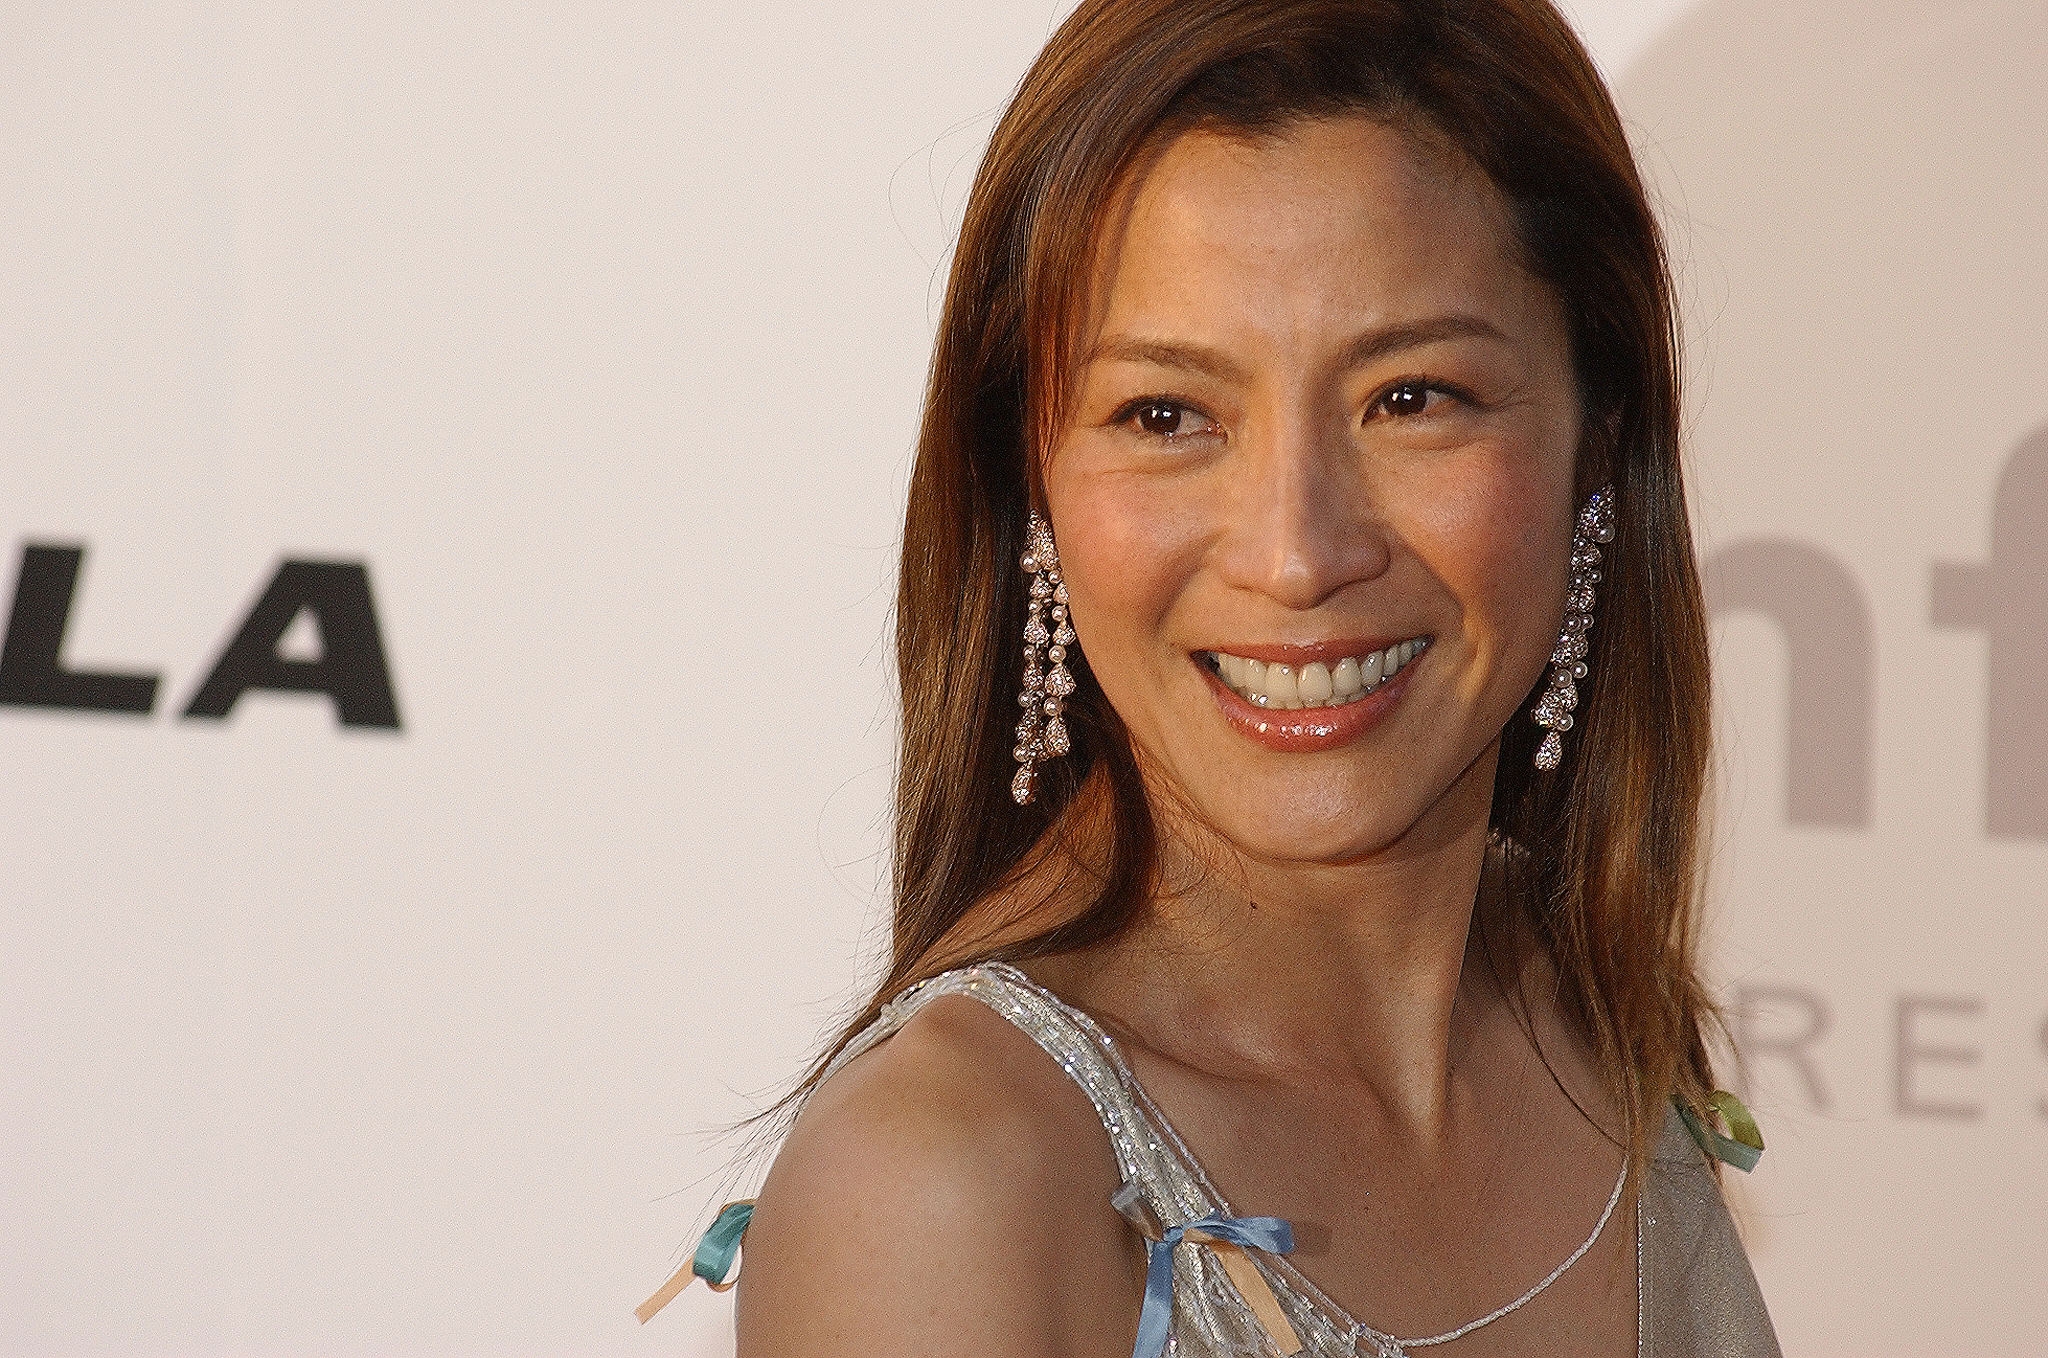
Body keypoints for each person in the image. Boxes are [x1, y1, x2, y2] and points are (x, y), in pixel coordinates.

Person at [642, 1, 1780, 1353]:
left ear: (1604, 436)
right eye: (1166, 415)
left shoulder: (1605, 1041)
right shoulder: (948, 1176)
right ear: (1032, 483)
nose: (1297, 552)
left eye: (1411, 397)